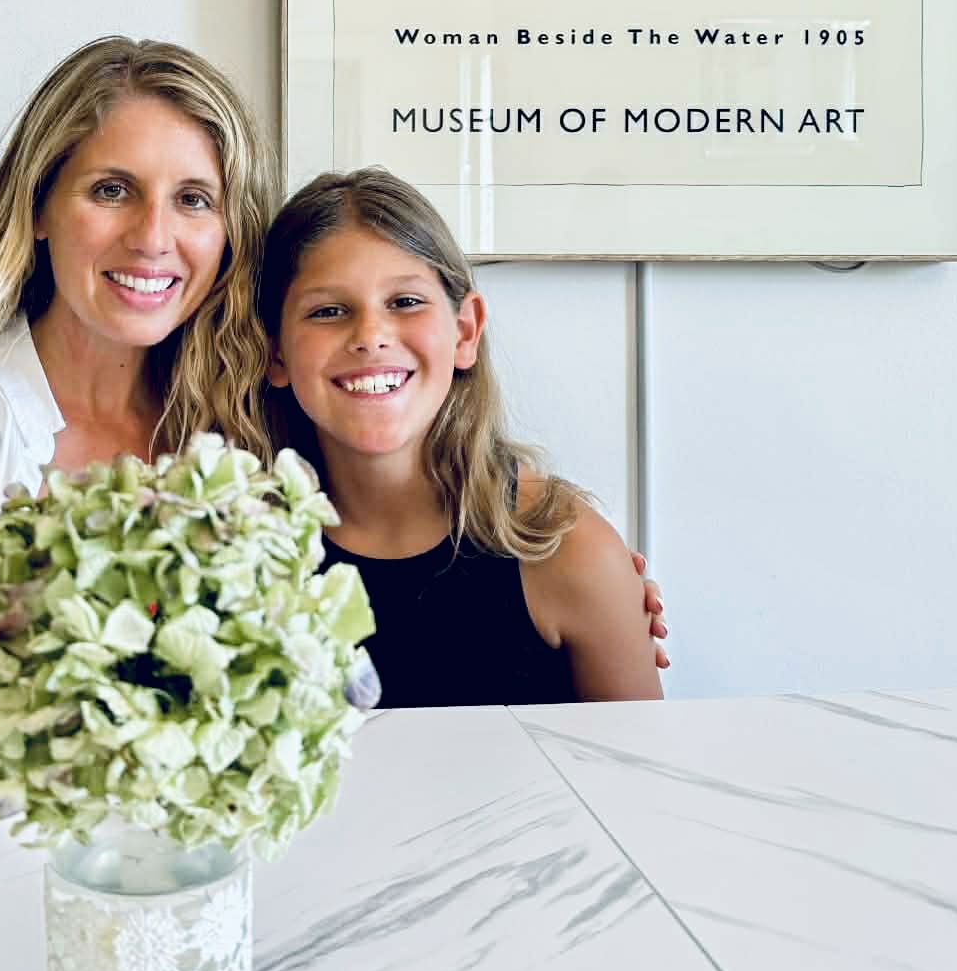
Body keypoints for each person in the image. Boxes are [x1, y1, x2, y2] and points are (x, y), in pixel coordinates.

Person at [0, 36, 664, 730]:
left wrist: (597, 588)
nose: (154, 238)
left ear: (229, 231)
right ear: (38, 206)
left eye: (194, 199)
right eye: (112, 190)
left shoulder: (261, 450)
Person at [260, 167, 663, 706]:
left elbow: (635, 782)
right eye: (328, 311)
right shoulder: (237, 555)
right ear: (276, 352)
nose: (371, 337)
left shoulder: (566, 549)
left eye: (404, 302)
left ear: (466, 330)